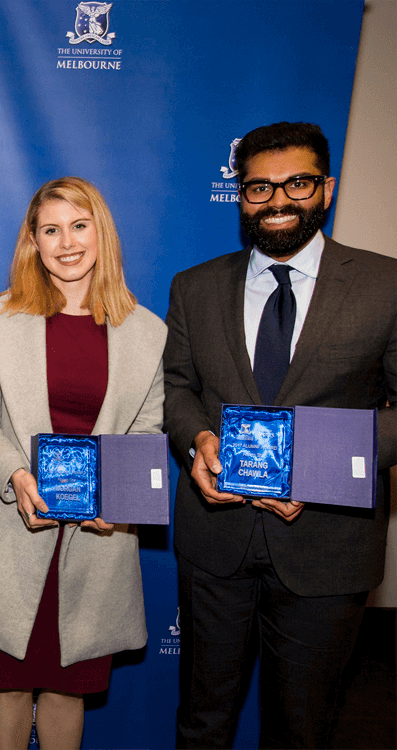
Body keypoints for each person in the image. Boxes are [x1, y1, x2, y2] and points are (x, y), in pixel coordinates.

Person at [164, 122, 396, 749]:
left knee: (301, 729)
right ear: (240, 194)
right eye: (258, 188)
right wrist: (197, 444)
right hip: (216, 540)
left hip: (328, 545)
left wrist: (312, 465)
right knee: (202, 722)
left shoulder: (387, 285)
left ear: (327, 188)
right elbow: (178, 390)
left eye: (296, 183)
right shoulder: (195, 286)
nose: (277, 202)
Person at [0, 177, 166, 749]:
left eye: (78, 225)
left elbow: (145, 432)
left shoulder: (148, 333)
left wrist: (118, 504)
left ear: (101, 234)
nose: (66, 242)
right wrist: (16, 476)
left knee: (70, 689)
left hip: (98, 540)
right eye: (51, 230)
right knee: (10, 684)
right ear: (33, 243)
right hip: (12, 532)